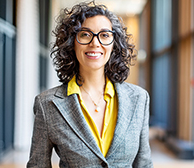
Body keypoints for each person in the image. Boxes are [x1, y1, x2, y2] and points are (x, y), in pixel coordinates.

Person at [27, 1, 153, 167]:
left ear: (114, 44)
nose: (95, 43)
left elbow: (143, 164)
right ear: (72, 42)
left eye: (105, 35)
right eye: (85, 34)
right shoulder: (47, 104)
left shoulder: (139, 98)